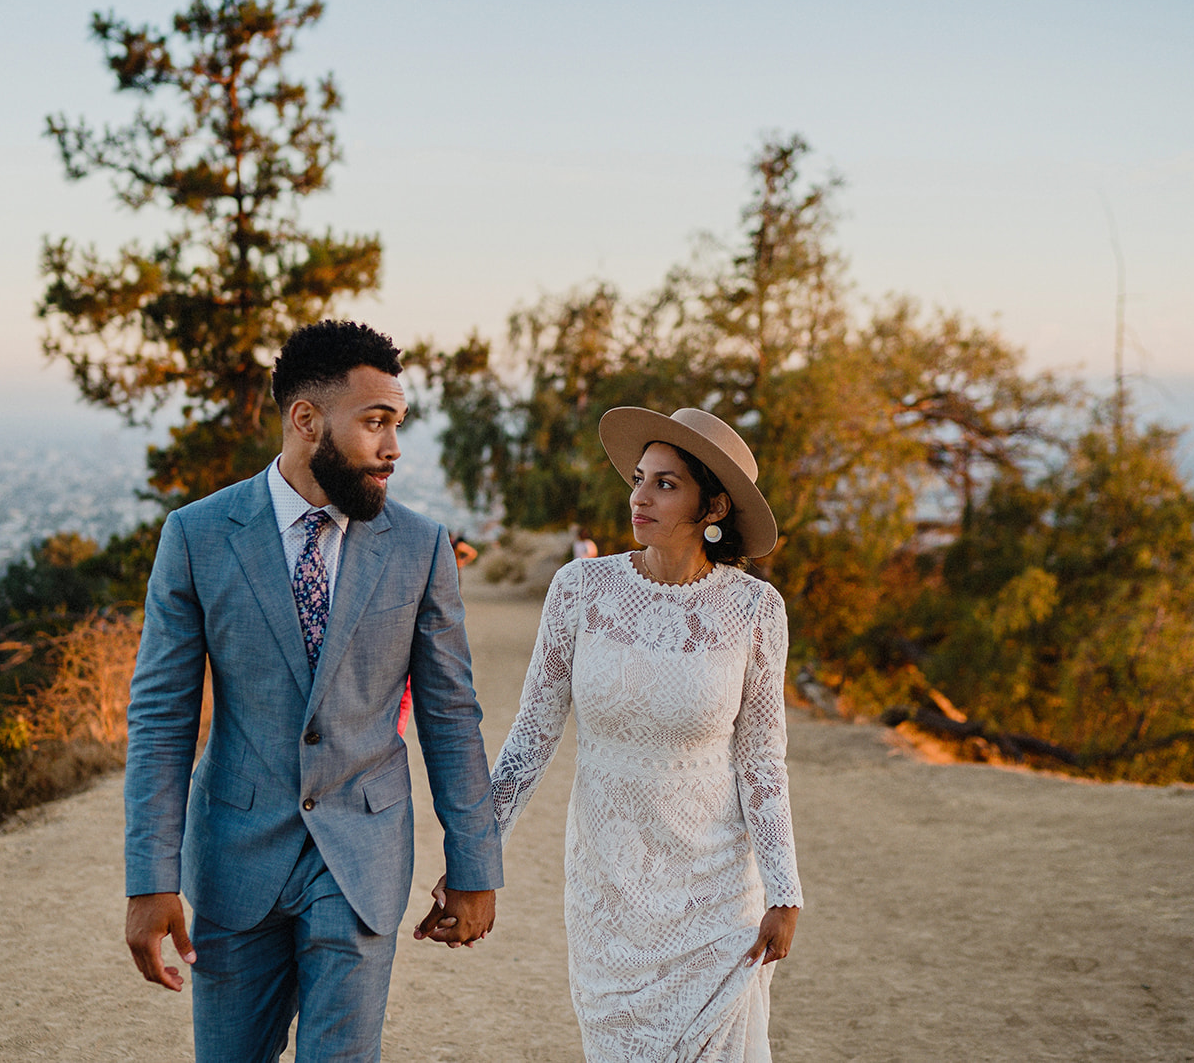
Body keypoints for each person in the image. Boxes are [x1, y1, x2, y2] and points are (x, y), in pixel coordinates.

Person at [124, 320, 503, 1061]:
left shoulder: (421, 546)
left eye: (396, 422)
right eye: (374, 422)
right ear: (306, 420)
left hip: (361, 856)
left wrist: (475, 863)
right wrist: (150, 877)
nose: (393, 447)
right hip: (235, 861)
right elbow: (161, 717)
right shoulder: (198, 536)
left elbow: (450, 714)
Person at [424, 405, 802, 1060]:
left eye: (665, 482)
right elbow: (531, 739)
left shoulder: (755, 610)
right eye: (638, 477)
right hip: (608, 894)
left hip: (716, 903)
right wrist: (473, 857)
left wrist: (784, 889)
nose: (640, 495)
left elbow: (763, 761)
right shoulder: (580, 590)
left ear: (712, 506)